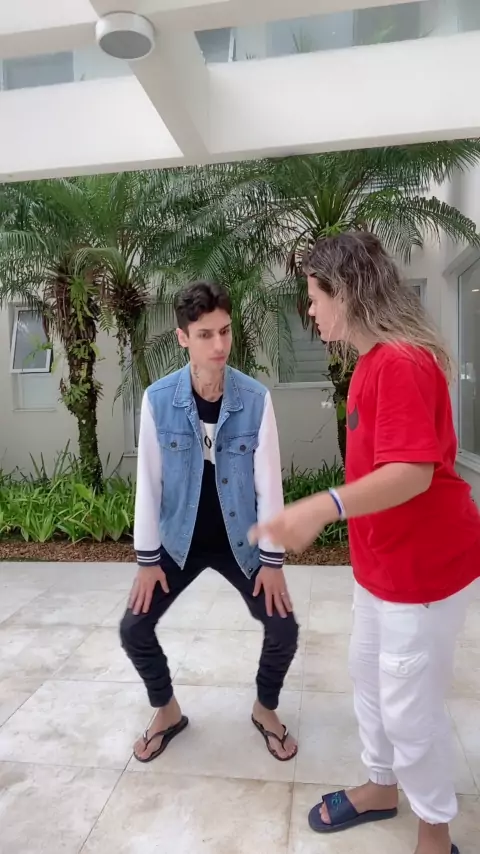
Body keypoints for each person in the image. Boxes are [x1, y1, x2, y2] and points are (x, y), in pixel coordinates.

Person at [250, 232, 480, 854]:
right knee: (369, 679)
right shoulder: (371, 363)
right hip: (381, 566)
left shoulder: (401, 362)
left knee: (410, 708)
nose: (310, 311)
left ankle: (434, 833)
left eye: (314, 296)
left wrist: (321, 507)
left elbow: (411, 472)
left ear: (345, 292)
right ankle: (381, 786)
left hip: (423, 571)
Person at [120, 280, 299, 764]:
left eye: (225, 331)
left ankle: (265, 709)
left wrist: (272, 562)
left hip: (241, 542)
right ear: (183, 338)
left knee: (283, 629)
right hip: (179, 541)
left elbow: (269, 486)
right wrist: (147, 561)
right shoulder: (158, 400)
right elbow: (148, 485)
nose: (219, 344)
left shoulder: (256, 399)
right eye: (205, 334)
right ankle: (167, 712)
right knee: (134, 628)